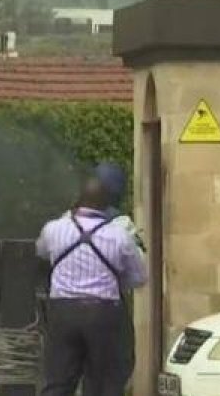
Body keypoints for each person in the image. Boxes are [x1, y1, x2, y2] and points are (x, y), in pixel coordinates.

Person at [36, 162, 148, 396]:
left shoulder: (54, 228)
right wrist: (113, 282)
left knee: (58, 381)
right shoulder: (120, 232)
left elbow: (42, 253)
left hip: (62, 312)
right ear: (110, 199)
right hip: (104, 313)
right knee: (105, 381)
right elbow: (139, 278)